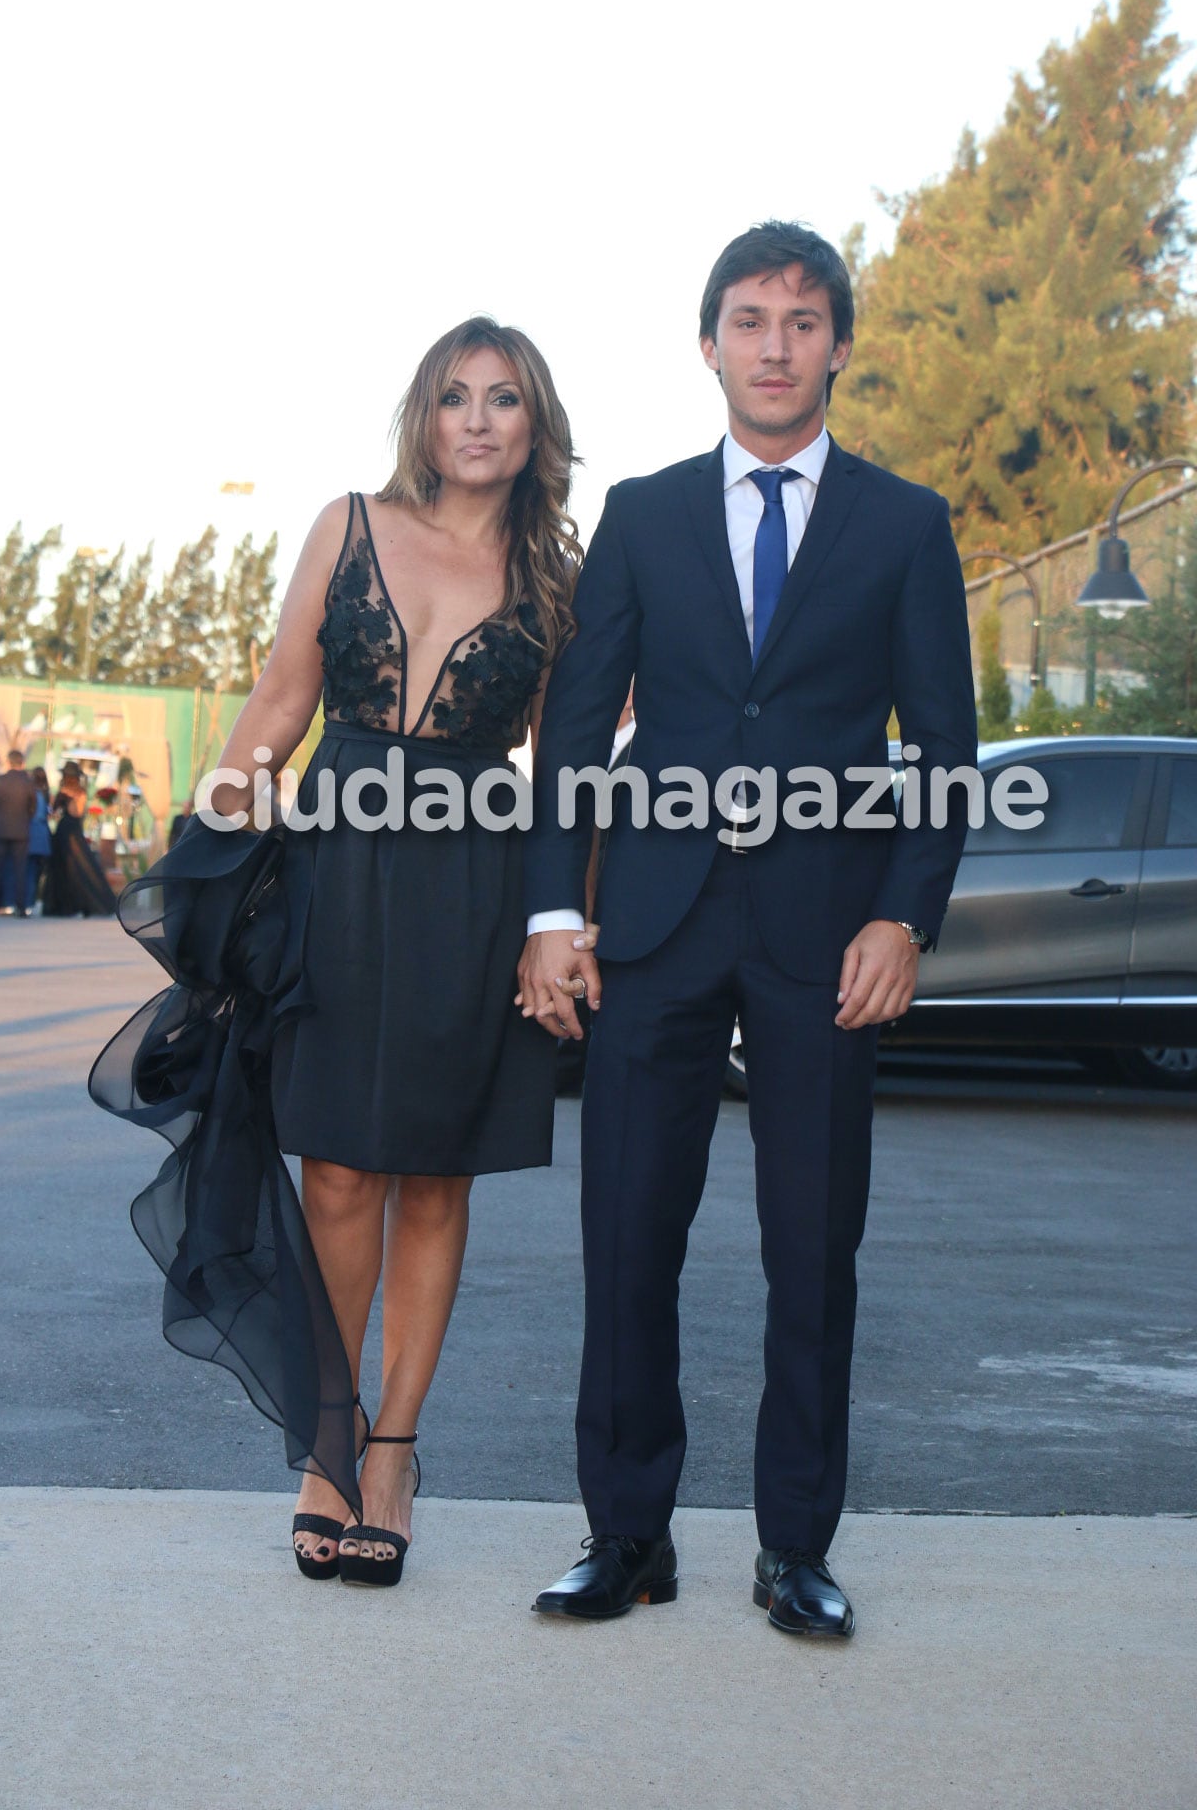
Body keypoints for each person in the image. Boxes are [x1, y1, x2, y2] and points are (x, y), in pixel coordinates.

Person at [519, 221, 977, 1636]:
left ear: (840, 344)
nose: (775, 344)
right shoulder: (647, 517)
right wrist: (554, 910)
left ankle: (795, 1550)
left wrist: (906, 918)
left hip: (823, 936)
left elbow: (946, 748)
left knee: (810, 1247)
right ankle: (627, 1535)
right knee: (626, 1236)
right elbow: (579, 733)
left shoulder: (905, 524)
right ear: (707, 342)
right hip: (653, 927)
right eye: (749, 319)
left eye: (800, 320)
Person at [90, 318, 578, 1586]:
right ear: (424, 416)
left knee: (434, 1175)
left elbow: (575, 761)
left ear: (535, 428)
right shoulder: (347, 523)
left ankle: (396, 1449)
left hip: (474, 886)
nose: (477, 419)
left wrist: (563, 918)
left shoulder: (555, 578)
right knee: (341, 1175)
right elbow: (277, 701)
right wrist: (207, 863)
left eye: (505, 400)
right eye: (456, 397)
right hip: (337, 877)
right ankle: (329, 1433)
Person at [44, 762, 117, 917]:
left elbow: (54, 812)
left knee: (63, 868)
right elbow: (79, 813)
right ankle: (91, 903)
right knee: (84, 866)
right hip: (75, 830)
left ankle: (64, 905)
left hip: (64, 830)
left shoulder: (63, 792)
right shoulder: (82, 793)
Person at [0, 750, 37, 916]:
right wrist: (24, 819)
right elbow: (33, 807)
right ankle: (20, 908)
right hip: (20, 830)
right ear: (22, 763)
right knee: (20, 870)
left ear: (8, 762)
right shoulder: (28, 782)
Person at [24, 767, 53, 913]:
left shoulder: (32, 794)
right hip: (41, 836)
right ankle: (30, 900)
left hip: (29, 834)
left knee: (27, 869)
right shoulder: (45, 794)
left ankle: (26, 901)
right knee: (35, 871)